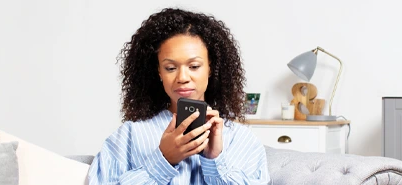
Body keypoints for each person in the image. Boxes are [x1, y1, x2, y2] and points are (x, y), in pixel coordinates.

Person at [87, 7, 270, 184]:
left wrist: (214, 160)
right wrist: (162, 160)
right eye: (171, 68)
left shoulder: (241, 140)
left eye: (194, 66)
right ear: (159, 71)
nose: (182, 78)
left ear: (211, 68)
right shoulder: (129, 136)